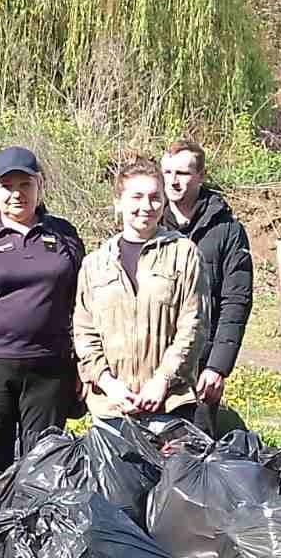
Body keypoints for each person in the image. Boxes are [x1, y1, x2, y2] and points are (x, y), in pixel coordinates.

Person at [0, 146, 84, 476]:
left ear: (39, 185)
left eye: (25, 185)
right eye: (7, 186)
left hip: (50, 365)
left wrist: (84, 364)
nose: (16, 194)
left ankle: (39, 525)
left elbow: (83, 304)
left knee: (45, 461)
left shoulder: (64, 236)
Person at [74, 156, 203, 420]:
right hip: (112, 406)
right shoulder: (95, 264)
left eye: (155, 197)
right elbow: (84, 333)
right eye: (137, 197)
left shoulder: (184, 253)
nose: (146, 206)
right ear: (118, 203)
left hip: (170, 405)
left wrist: (162, 381)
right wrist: (110, 385)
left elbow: (194, 325)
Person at [161, 139, 253, 436]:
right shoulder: (148, 223)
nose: (174, 181)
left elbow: (235, 302)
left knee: (195, 455)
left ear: (200, 175)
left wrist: (218, 367)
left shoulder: (227, 230)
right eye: (168, 173)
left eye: (183, 173)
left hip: (202, 365)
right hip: (152, 362)